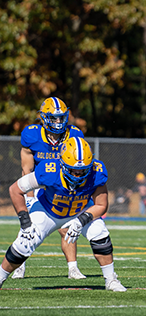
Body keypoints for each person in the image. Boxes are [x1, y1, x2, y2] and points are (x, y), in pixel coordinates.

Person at [0, 137, 126, 292]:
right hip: (48, 211)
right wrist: (25, 223)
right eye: (74, 170)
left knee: (99, 232)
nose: (79, 174)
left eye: (83, 170)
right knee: (25, 244)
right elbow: (15, 190)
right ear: (63, 163)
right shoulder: (49, 171)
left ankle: (111, 280)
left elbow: (101, 205)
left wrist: (81, 220)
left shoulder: (96, 172)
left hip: (79, 210)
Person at [13, 97, 86, 280]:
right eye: (54, 118)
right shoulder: (32, 135)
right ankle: (19, 265)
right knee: (28, 228)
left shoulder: (74, 134)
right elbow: (26, 169)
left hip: (61, 185)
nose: (59, 122)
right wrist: (29, 197)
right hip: (38, 184)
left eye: (61, 117)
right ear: (44, 118)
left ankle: (73, 268)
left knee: (67, 227)